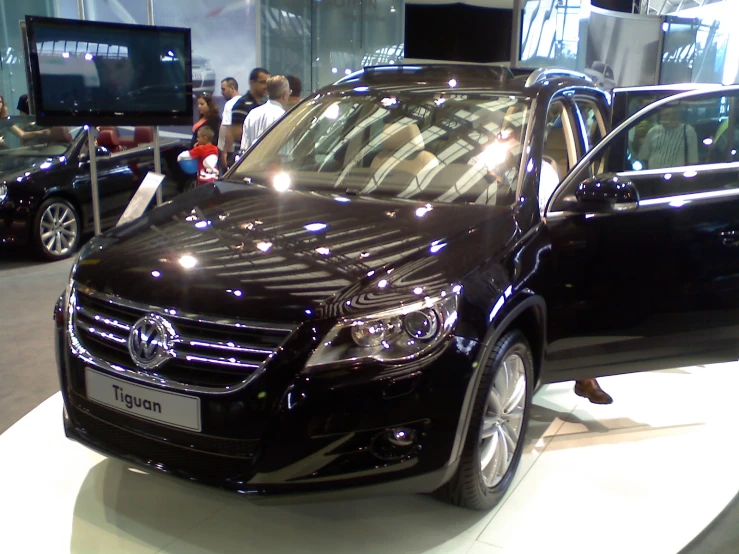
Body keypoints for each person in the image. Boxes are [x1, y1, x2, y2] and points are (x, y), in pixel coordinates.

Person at [225, 67, 270, 169]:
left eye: (268, 82)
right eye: (263, 82)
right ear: (252, 83)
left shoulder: (265, 104)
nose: (266, 86)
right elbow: (237, 134)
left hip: (262, 159)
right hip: (246, 159)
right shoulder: (241, 104)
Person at [637, 105, 698, 169]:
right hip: (653, 174)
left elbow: (693, 158)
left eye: (670, 114)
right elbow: (643, 156)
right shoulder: (653, 131)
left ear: (677, 115)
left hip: (677, 175)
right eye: (664, 115)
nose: (669, 117)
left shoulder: (687, 131)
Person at [240, 75, 290, 152]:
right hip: (274, 163)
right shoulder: (283, 117)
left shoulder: (252, 113)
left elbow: (244, 147)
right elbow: (284, 152)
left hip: (251, 163)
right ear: (285, 94)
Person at [218, 77, 243, 168]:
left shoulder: (230, 104)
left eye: (223, 89)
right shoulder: (242, 102)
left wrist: (225, 151)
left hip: (230, 150)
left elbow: (230, 130)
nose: (221, 92)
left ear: (232, 88)